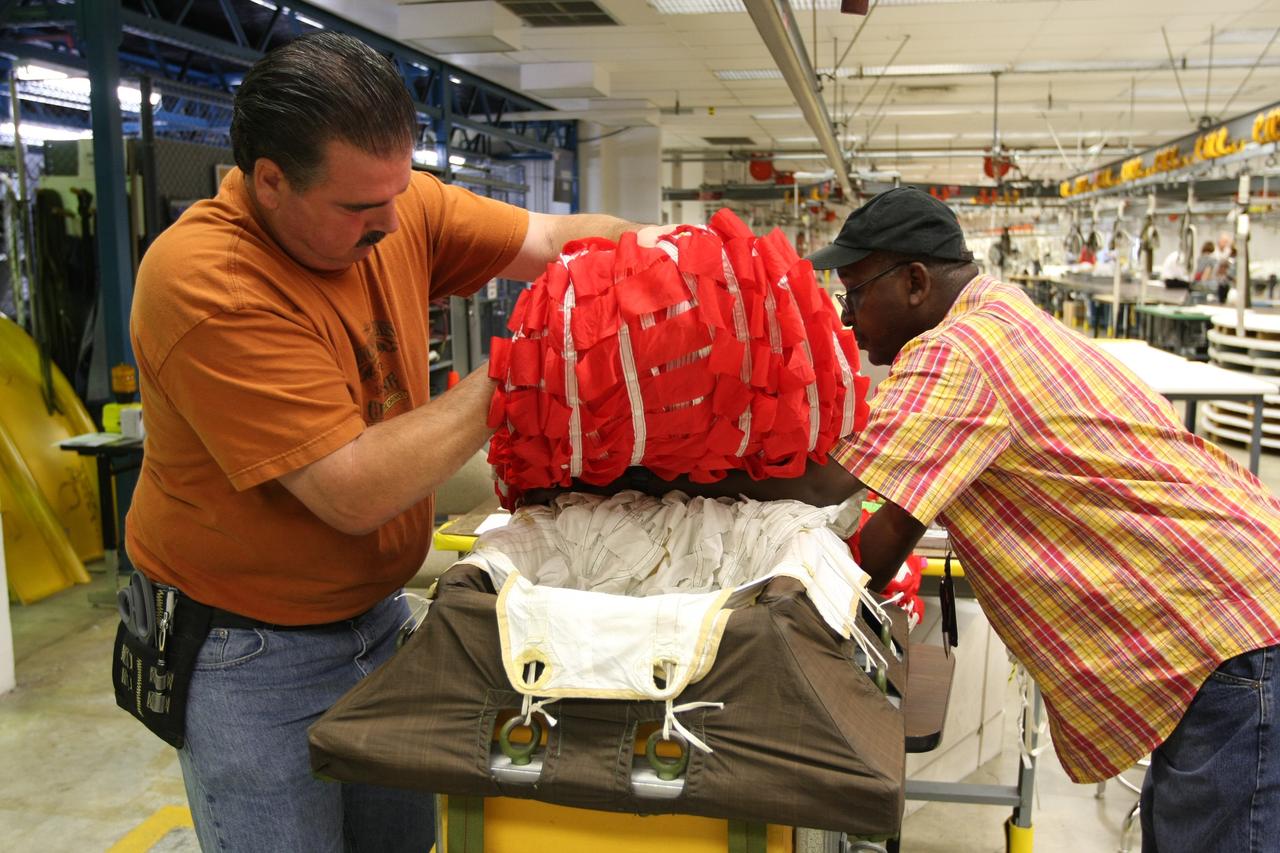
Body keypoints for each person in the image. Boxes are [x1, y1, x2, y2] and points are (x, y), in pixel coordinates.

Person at [127, 31, 669, 852]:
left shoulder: (390, 201)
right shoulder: (208, 282)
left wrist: (691, 266)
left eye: (398, 190)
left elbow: (555, 242)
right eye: (358, 207)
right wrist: (527, 362)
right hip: (250, 653)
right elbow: (353, 489)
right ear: (269, 181)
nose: (391, 219)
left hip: (376, 621)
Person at [796, 187, 1280, 853]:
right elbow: (883, 545)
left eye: (852, 292)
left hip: (1232, 644)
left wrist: (683, 475)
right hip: (1234, 624)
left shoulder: (960, 350)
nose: (848, 319)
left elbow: (829, 483)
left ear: (913, 282)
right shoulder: (998, 314)